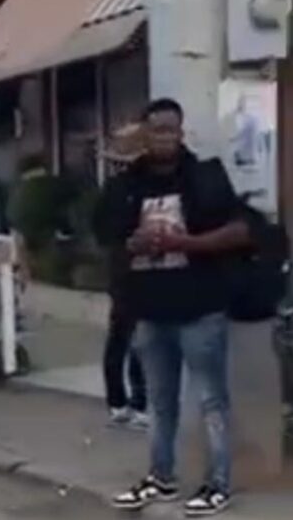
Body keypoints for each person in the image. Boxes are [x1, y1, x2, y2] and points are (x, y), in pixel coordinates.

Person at [99, 99, 249, 517]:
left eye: (171, 129)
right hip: (149, 309)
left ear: (181, 133)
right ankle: (160, 476)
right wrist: (132, 244)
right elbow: (106, 234)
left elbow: (240, 230)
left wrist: (186, 243)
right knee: (160, 403)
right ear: (144, 134)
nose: (164, 137)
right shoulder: (127, 184)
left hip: (201, 308)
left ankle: (218, 484)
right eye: (157, 129)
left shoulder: (205, 176)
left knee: (212, 401)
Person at [97, 129, 149, 432]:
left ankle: (119, 402)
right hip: (134, 270)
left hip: (122, 269)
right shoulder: (137, 188)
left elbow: (99, 229)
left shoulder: (113, 188)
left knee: (122, 336)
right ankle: (138, 402)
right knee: (137, 337)